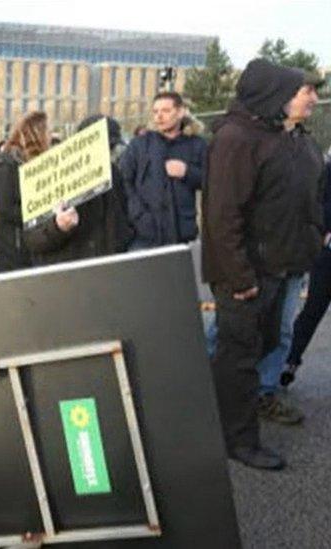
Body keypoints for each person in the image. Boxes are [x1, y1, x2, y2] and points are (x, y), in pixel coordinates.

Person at [202, 58, 325, 471]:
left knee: (262, 348)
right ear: (275, 95)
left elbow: (304, 200)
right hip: (247, 277)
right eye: (301, 91)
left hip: (281, 268)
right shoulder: (237, 138)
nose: (311, 97)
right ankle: (238, 440)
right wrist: (240, 278)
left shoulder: (287, 139)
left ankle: (232, 421)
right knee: (237, 360)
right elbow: (223, 216)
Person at [23, 115, 132, 266]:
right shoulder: (51, 174)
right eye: (104, 147)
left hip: (106, 271)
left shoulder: (114, 173)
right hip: (68, 275)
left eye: (111, 148)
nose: (107, 153)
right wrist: (58, 227)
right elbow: (33, 238)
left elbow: (122, 220)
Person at [119, 91, 207, 249]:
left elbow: (213, 182)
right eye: (155, 111)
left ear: (180, 112)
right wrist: (139, 215)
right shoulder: (139, 145)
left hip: (183, 234)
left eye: (165, 111)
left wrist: (187, 173)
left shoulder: (197, 144)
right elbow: (124, 181)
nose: (159, 116)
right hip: (144, 236)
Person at [284, 152, 331, 387]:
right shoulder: (328, 169)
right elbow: (319, 201)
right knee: (313, 308)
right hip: (328, 254)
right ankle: (290, 360)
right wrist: (323, 230)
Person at [0, 112, 48, 274]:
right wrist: (37, 213)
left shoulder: (32, 165)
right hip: (11, 250)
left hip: (27, 247)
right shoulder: (8, 166)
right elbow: (5, 207)